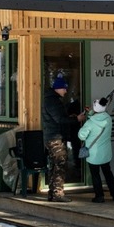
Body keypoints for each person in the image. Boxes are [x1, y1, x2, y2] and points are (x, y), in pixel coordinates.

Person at [42, 74, 78, 202]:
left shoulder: (51, 99)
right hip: (55, 138)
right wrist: (76, 119)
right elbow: (60, 119)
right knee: (60, 165)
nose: (66, 91)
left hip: (52, 136)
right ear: (58, 88)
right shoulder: (53, 101)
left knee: (54, 165)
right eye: (64, 88)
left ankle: (52, 193)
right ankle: (58, 193)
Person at [78, 97, 114, 203]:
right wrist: (90, 112)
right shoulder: (108, 119)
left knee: (95, 175)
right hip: (106, 153)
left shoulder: (90, 123)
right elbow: (97, 115)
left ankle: (99, 196)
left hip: (93, 154)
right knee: (108, 172)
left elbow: (81, 136)